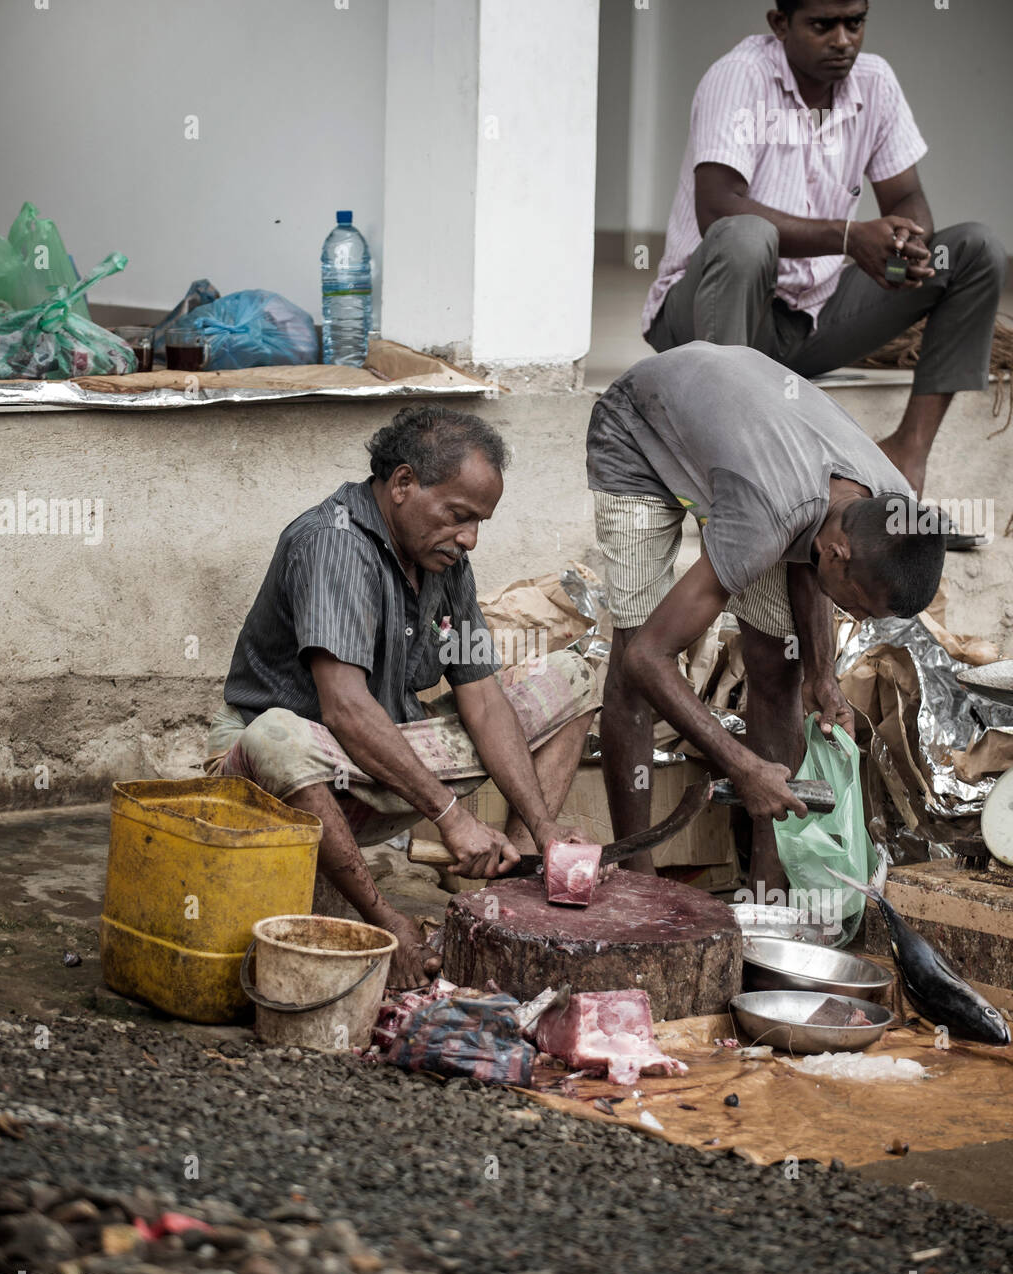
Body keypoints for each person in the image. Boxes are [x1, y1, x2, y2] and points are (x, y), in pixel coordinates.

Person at [207, 406, 600, 988]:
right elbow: (342, 708)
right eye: (459, 515)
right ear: (403, 483)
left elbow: (484, 699)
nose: (469, 537)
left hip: (381, 765)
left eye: (479, 522)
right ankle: (384, 924)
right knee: (276, 731)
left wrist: (544, 828)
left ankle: (510, 898)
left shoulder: (446, 564)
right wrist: (452, 818)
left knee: (572, 676)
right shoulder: (331, 544)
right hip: (287, 779)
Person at [588, 341, 945, 892]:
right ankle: (637, 881)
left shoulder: (891, 501)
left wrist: (823, 678)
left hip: (745, 449)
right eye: (856, 607)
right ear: (838, 555)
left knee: (782, 664)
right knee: (636, 660)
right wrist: (740, 765)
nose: (855, 618)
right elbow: (646, 658)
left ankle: (768, 890)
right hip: (641, 427)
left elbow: (812, 549)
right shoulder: (767, 516)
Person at [641, 0, 1005, 514]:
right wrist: (851, 237)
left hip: (809, 324)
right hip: (707, 319)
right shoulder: (739, 78)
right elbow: (718, 207)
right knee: (747, 237)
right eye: (821, 25)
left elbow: (905, 199)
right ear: (779, 24)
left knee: (974, 250)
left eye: (854, 23)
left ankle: (907, 453)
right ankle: (730, 466)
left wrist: (906, 244)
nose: (842, 40)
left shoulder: (874, 81)